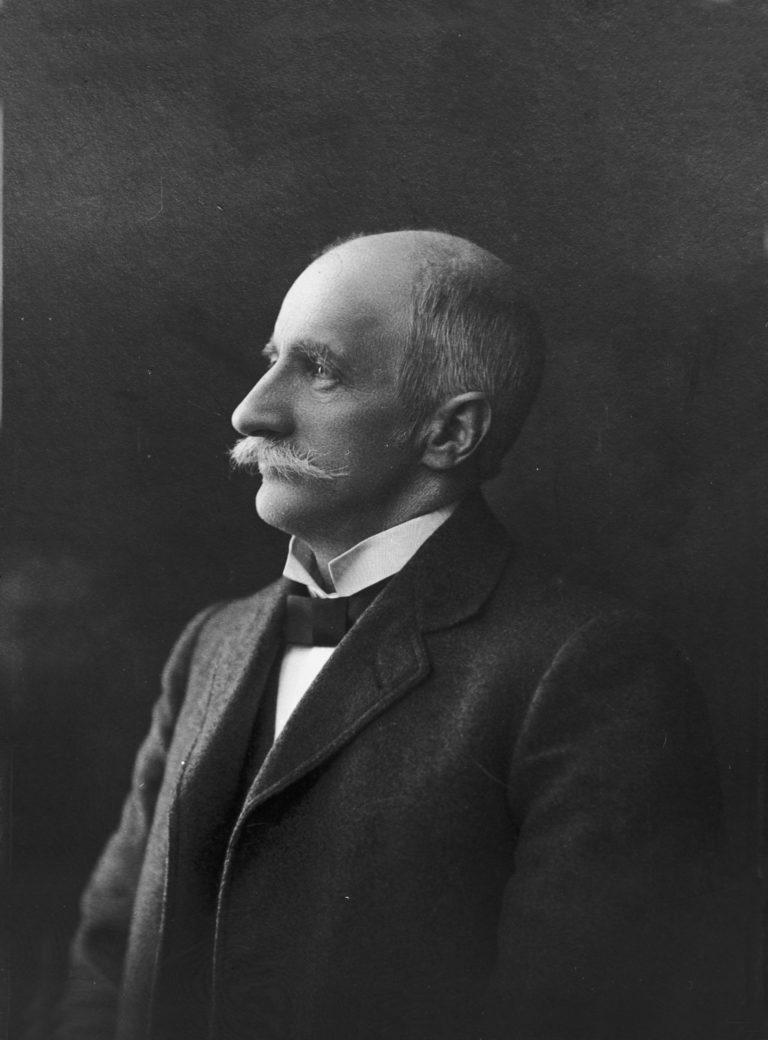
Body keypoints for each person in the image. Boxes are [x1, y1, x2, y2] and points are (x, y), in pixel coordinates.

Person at [55, 231, 722, 1040]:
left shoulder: (589, 670)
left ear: (449, 434)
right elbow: (103, 964)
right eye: (272, 360)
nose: (251, 410)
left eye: (320, 370)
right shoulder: (213, 643)